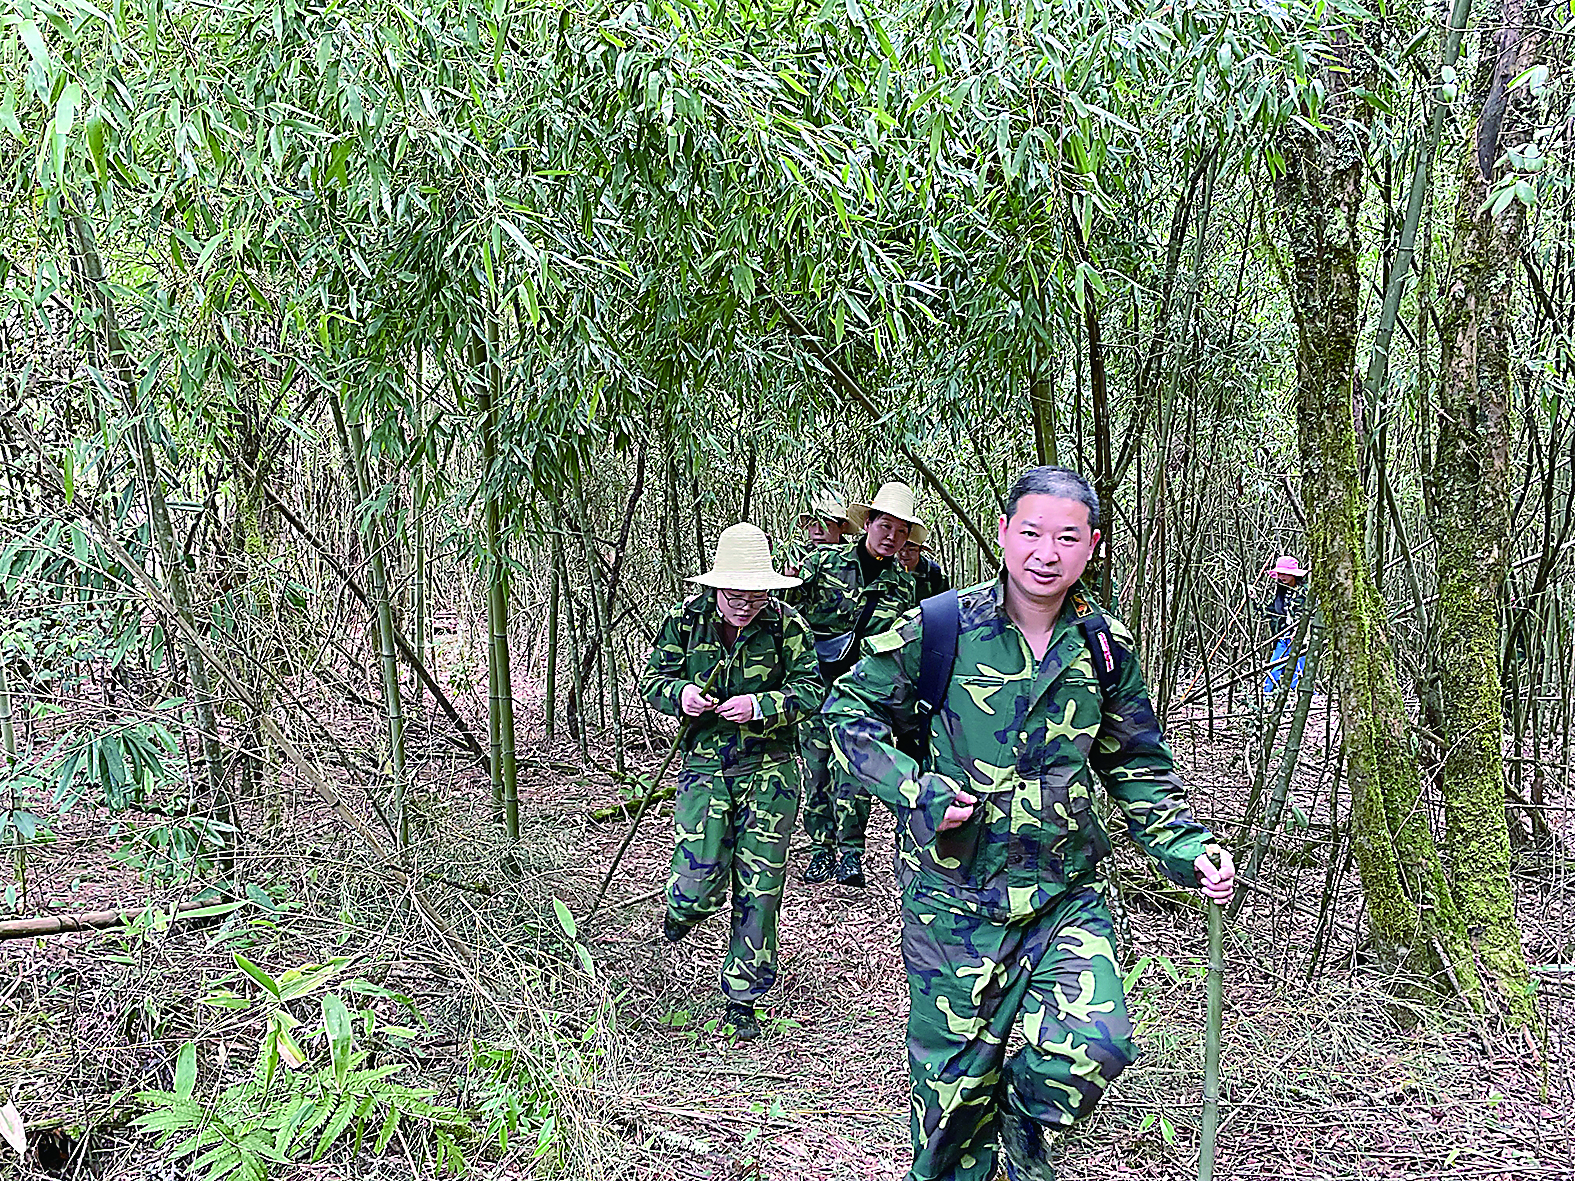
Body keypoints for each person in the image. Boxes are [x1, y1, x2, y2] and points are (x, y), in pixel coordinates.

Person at [824, 466, 1235, 1181]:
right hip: (954, 901)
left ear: (1092, 546)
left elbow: (1136, 763)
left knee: (1093, 1045)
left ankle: (1019, 1123)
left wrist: (1189, 848)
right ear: (1004, 533)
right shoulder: (941, 626)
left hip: (1062, 894)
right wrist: (916, 789)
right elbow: (848, 714)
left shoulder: (1104, 647)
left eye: (1067, 538)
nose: (1046, 553)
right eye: (1031, 533)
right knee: (950, 1116)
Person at [640, 523, 822, 1042]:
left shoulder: (787, 626)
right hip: (705, 768)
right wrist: (681, 696)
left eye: (756, 596)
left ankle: (744, 997)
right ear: (716, 587)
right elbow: (652, 680)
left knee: (760, 888)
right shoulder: (685, 621)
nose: (746, 606)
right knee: (695, 885)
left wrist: (762, 705)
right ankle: (685, 910)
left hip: (770, 770)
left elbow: (811, 691)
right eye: (736, 596)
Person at [787, 480, 924, 888]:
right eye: (885, 526)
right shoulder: (825, 562)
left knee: (855, 770)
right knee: (817, 769)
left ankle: (850, 853)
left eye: (901, 531)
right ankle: (821, 850)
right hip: (817, 684)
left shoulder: (902, 583)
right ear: (867, 524)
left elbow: (902, 642)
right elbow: (787, 606)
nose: (891, 537)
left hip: (865, 693)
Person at [1261, 554, 1308, 697]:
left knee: (1300, 668)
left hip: (1302, 636)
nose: (1281, 577)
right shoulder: (1281, 592)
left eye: (1285, 573)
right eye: (1279, 573)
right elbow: (1268, 612)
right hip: (1284, 634)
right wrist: (1254, 598)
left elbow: (1310, 614)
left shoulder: (1305, 591)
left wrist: (1301, 632)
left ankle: (1303, 697)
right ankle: (1267, 694)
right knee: (1274, 665)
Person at [899, 534, 950, 601]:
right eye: (901, 549)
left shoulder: (933, 572)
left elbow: (943, 601)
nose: (904, 554)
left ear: (920, 550)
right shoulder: (889, 569)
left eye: (911, 550)